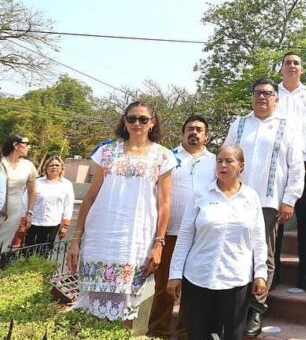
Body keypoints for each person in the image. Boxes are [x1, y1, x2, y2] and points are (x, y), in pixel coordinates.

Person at [66, 101, 177, 322]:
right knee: (93, 312)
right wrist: (76, 238)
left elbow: (164, 203)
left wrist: (159, 243)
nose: (137, 123)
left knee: (126, 312)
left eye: (143, 119)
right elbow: (90, 197)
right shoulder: (106, 152)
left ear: (152, 123)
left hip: (135, 242)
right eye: (132, 118)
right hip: (100, 241)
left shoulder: (163, 156)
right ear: (124, 122)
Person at [223, 77, 304, 337]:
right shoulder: (239, 124)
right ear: (252, 97)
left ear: (276, 99)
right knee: (234, 251)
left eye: (268, 93)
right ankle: (231, 307)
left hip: (268, 202)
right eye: (258, 92)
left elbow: (295, 166)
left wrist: (290, 198)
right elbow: (225, 158)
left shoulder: (287, 127)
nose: (262, 97)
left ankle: (255, 310)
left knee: (263, 255)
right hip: (235, 199)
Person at [168, 146, 267, 340]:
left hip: (236, 280)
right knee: (198, 334)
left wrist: (260, 274)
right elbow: (185, 236)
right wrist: (175, 273)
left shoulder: (251, 198)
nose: (223, 165)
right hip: (198, 277)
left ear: (241, 166)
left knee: (232, 335)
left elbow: (259, 239)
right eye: (219, 160)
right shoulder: (201, 194)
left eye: (229, 161)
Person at [148, 115, 216, 340]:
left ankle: (187, 332)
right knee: (164, 285)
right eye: (190, 129)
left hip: (201, 235)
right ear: (182, 133)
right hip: (171, 232)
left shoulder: (215, 161)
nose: (194, 133)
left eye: (199, 129)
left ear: (206, 135)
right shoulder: (168, 157)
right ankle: (159, 331)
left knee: (194, 289)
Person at [274, 52, 306, 296]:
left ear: (302, 69)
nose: (292, 66)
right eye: (288, 63)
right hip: (276, 161)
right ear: (281, 68)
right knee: (275, 217)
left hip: (305, 162)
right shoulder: (272, 92)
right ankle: (270, 272)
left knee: (305, 217)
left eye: (296, 63)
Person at [24, 155, 74, 250]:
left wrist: (65, 226)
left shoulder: (67, 185)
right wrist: (23, 220)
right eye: (51, 165)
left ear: (61, 168)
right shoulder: (37, 182)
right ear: (46, 168)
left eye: (57, 165)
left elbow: (68, 205)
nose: (54, 167)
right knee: (27, 251)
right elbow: (25, 200)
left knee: (44, 252)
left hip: (52, 224)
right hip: (33, 222)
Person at [0, 134, 37, 251]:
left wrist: (29, 212)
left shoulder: (28, 165)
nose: (29, 147)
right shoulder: (1, 162)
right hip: (0, 207)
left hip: (14, 212)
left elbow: (32, 191)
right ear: (15, 145)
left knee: (3, 245)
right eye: (27, 144)